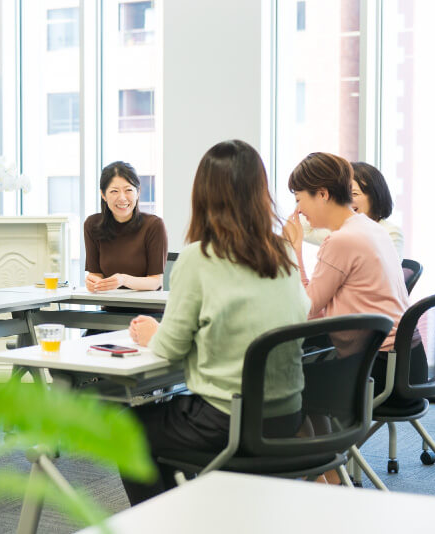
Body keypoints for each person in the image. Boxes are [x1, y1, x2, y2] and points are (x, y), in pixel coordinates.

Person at [122, 140, 310, 505]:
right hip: (286, 416)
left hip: (228, 421)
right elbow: (300, 313)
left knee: (128, 431)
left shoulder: (198, 256)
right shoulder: (283, 250)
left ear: (204, 194)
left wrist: (152, 334)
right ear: (260, 192)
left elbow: (172, 348)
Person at [284, 152, 422, 408]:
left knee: (284, 387)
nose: (299, 211)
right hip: (409, 365)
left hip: (380, 371)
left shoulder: (342, 240)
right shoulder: (372, 229)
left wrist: (295, 250)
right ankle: (330, 448)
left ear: (323, 194)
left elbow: (306, 309)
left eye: (299, 199)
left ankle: (324, 448)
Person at [84, 161, 168, 293]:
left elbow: (155, 281)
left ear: (138, 192)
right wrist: (92, 281)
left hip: (147, 310)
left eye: (128, 190)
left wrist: (123, 280)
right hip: (109, 309)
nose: (122, 198)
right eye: (114, 191)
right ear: (103, 194)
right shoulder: (92, 224)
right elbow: (96, 274)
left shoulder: (153, 225)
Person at [301, 162, 403, 259]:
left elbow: (386, 274)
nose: (347, 200)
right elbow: (302, 228)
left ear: (375, 196)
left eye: (354, 194)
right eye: (344, 194)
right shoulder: (340, 231)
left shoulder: (390, 232)